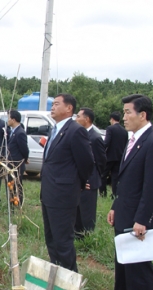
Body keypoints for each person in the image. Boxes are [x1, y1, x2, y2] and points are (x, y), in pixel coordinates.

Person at [99, 94, 153, 290]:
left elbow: (151, 188)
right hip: (125, 211)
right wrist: (115, 206)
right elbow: (127, 181)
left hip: (140, 219)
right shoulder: (133, 140)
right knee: (122, 261)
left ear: (143, 115)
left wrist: (142, 220)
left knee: (140, 267)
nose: (124, 116)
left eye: (128, 112)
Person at [40, 93, 94, 272]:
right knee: (51, 239)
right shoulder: (54, 129)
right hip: (49, 193)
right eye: (52, 104)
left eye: (56, 104)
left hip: (63, 195)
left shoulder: (75, 130)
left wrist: (78, 183)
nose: (52, 107)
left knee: (63, 241)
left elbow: (86, 162)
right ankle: (56, 274)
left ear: (69, 108)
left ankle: (69, 279)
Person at [74, 108, 106, 237]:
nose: (76, 119)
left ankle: (87, 234)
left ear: (86, 119)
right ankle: (77, 232)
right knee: (77, 208)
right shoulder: (78, 134)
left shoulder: (95, 137)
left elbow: (101, 160)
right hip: (79, 179)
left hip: (90, 180)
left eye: (78, 116)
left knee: (87, 210)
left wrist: (94, 176)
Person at [100, 111, 128, 198]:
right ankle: (115, 194)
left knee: (103, 175)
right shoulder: (124, 131)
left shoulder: (110, 128)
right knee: (115, 176)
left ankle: (102, 193)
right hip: (120, 157)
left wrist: (101, 151)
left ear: (112, 119)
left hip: (110, 157)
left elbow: (106, 142)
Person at [6, 109, 29, 206]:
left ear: (13, 119)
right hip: (10, 163)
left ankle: (18, 204)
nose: (7, 120)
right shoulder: (12, 131)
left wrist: (25, 158)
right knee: (10, 184)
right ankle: (11, 204)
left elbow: (24, 149)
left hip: (16, 164)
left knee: (17, 185)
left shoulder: (20, 133)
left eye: (8, 118)